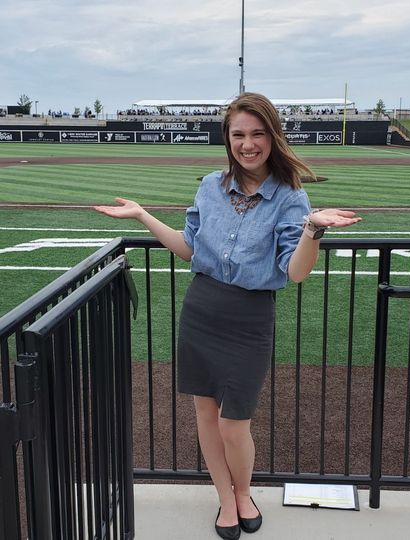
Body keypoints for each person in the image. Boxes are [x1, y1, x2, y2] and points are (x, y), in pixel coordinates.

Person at [94, 92, 360, 539]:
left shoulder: (291, 198)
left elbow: (294, 273)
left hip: (250, 318)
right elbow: (190, 249)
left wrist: (313, 229)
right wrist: (142, 216)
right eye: (239, 134)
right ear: (227, 138)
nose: (248, 144)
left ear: (273, 137)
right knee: (205, 413)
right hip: (202, 309)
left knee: (234, 423)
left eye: (258, 134)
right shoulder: (209, 187)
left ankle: (244, 491)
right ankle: (225, 499)